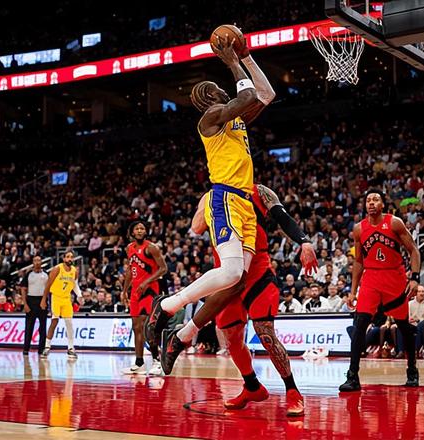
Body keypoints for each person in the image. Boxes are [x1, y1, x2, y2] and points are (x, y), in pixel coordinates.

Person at [145, 34, 276, 346]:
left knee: (236, 279)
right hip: (226, 197)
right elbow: (246, 96)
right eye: (218, 89)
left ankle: (181, 334)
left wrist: (246, 57)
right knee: (230, 273)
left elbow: (265, 94)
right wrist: (232, 62)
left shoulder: (234, 121)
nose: (224, 89)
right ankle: (168, 306)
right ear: (209, 96)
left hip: (244, 203)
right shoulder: (210, 118)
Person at [164, 183, 317, 417]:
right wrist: (210, 199)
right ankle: (252, 386)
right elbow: (196, 227)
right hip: (227, 276)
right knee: (232, 338)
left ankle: (292, 390)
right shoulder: (211, 196)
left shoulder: (259, 191)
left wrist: (304, 241)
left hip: (258, 272)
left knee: (265, 332)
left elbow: (282, 217)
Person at [339, 189, 421, 392]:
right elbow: (359, 261)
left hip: (394, 277)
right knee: (359, 324)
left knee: (404, 327)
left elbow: (413, 250)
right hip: (371, 278)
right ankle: (352, 376)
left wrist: (415, 278)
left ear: (383, 204)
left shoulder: (394, 223)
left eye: (375, 199)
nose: (371, 203)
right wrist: (353, 291)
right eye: (368, 200)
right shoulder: (359, 228)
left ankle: (412, 370)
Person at [121, 221, 167, 376]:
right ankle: (139, 363)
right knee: (136, 327)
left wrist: (147, 282)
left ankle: (157, 361)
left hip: (150, 290)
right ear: (132, 232)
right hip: (136, 291)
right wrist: (124, 290)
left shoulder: (151, 248)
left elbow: (163, 268)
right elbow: (130, 270)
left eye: (142, 228)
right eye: (137, 229)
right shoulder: (129, 248)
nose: (140, 231)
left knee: (148, 327)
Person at [41, 250, 81, 359]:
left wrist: (79, 295)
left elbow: (75, 285)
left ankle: (71, 348)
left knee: (69, 323)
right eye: (67, 257)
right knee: (54, 321)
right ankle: (47, 346)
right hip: (56, 297)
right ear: (63, 259)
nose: (70, 259)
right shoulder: (57, 269)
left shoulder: (74, 271)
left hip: (66, 299)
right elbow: (48, 285)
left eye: (71, 257)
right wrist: (44, 299)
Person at [21, 255, 48, 355]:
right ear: (32, 262)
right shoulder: (28, 274)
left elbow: (49, 289)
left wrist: (45, 301)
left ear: (41, 262)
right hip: (31, 301)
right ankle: (26, 348)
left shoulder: (46, 274)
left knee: (43, 327)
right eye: (35, 260)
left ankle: (41, 349)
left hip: (42, 300)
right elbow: (23, 289)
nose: (37, 262)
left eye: (38, 260)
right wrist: (25, 304)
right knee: (29, 327)